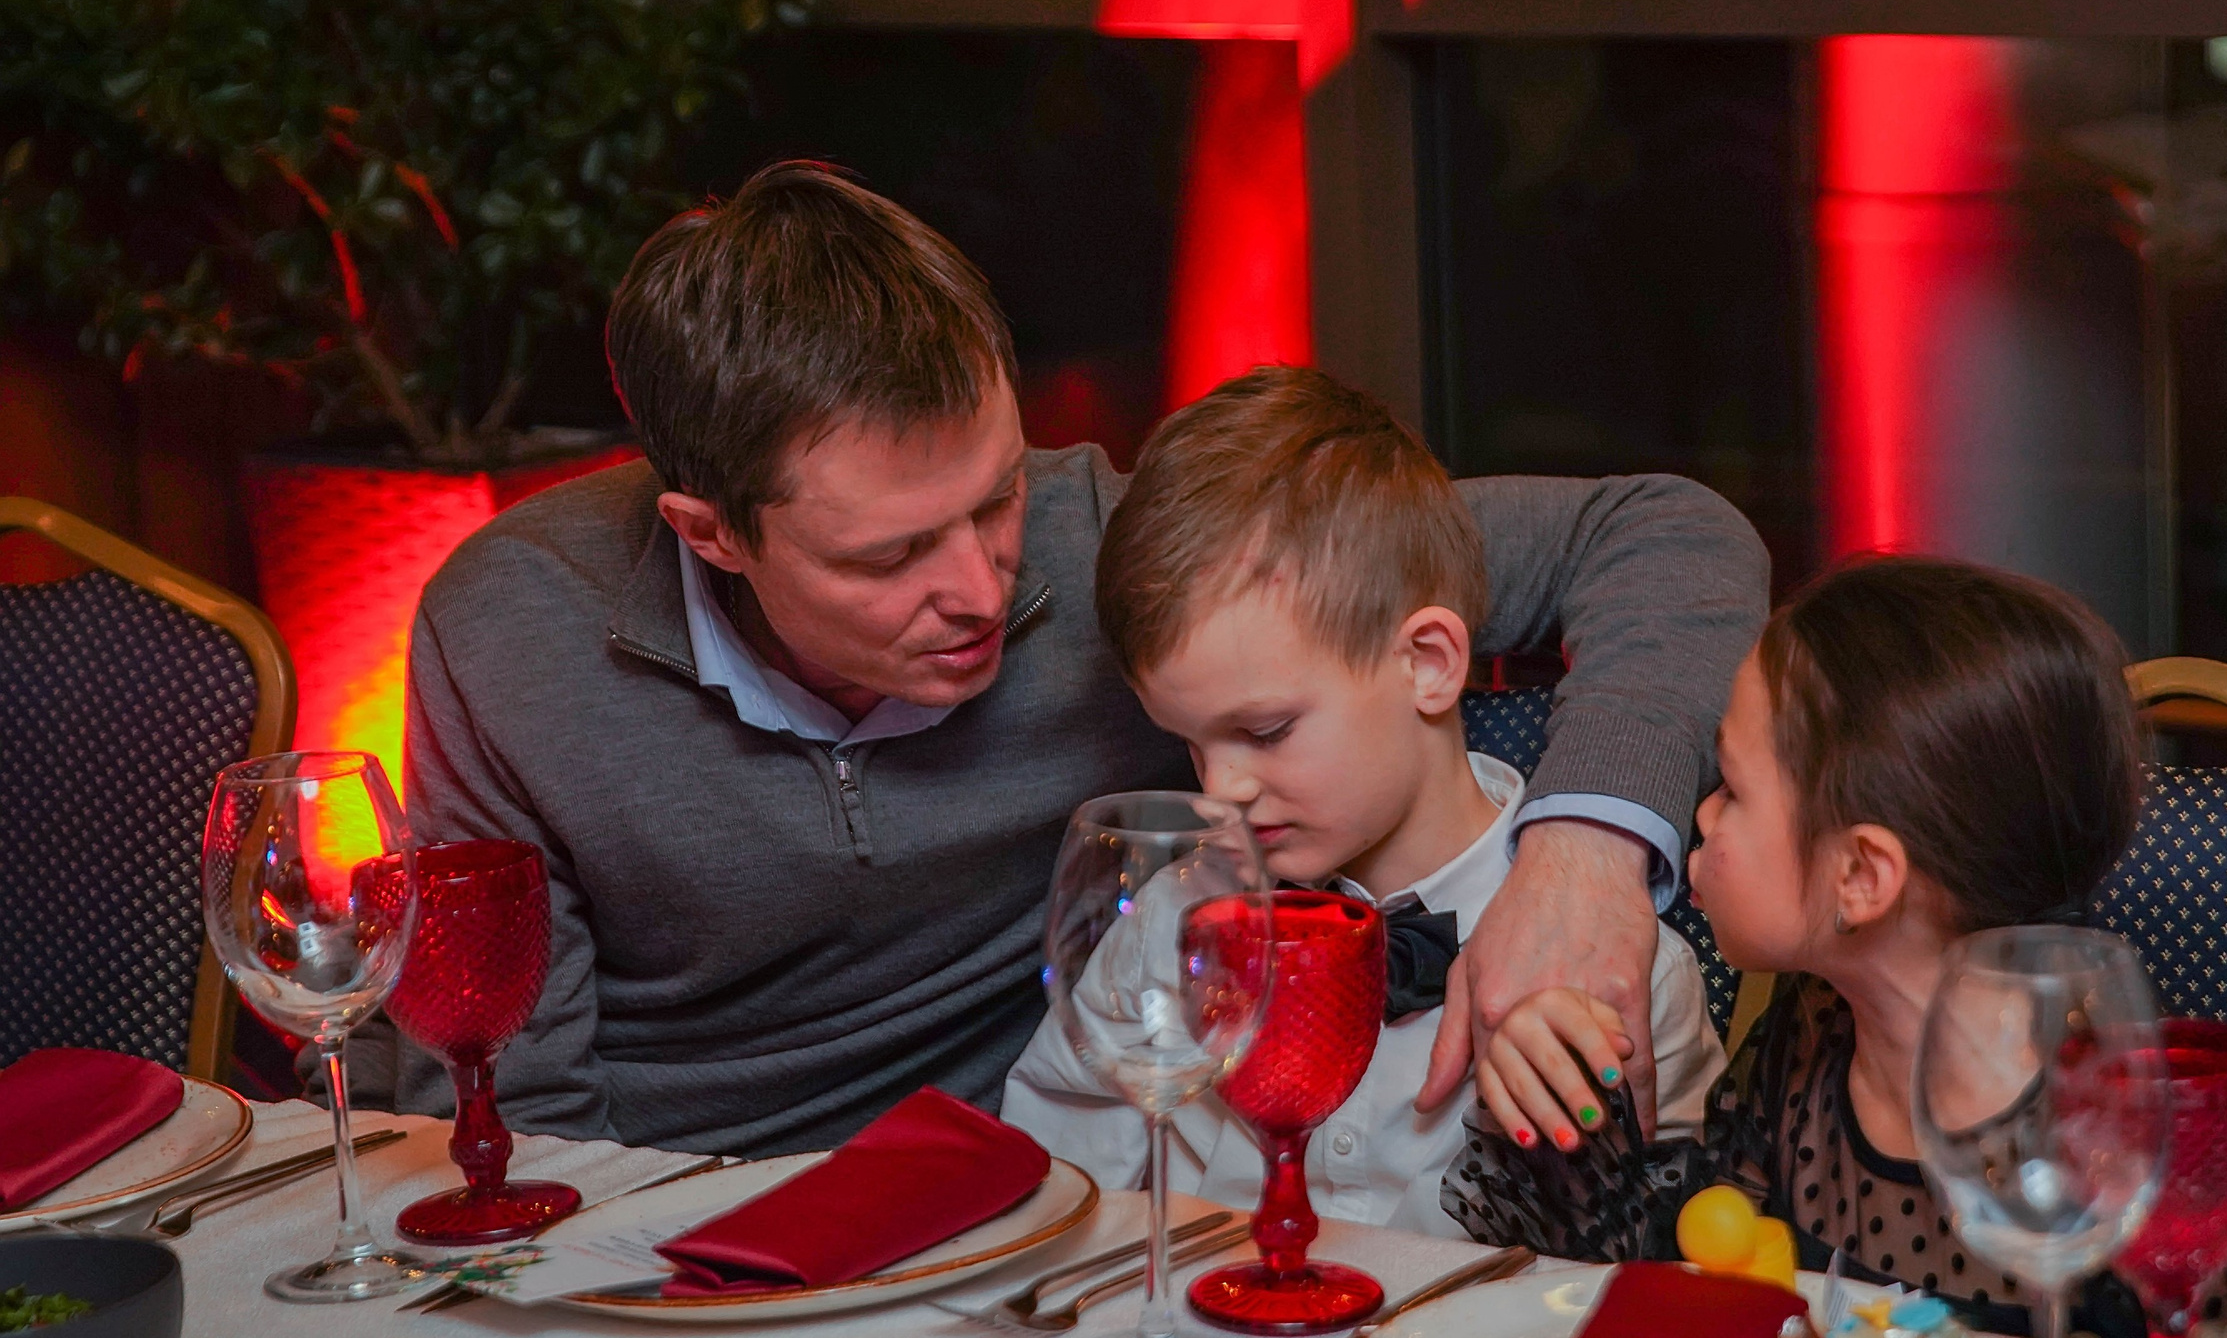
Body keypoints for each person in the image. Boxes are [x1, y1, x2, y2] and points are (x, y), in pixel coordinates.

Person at [337, 160, 1770, 1154]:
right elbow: (505, 1104)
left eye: (995, 496)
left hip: (1025, 1223)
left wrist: (1582, 851)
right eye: (892, 555)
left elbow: (1667, 537)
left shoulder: (1137, 558)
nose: (982, 589)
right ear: (711, 535)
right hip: (678, 1239)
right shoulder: (513, 628)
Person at [1446, 555, 2227, 1338]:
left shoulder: (2097, 1137)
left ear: (1861, 876)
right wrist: (1568, 1109)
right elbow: (1711, 1273)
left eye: (1732, 789)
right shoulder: (1813, 1033)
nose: (1699, 813)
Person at [1000, 368, 1722, 1234]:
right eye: (1192, 743)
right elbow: (1057, 1179)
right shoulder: (1170, 924)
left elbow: (1654, 1263)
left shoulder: (1608, 968)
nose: (1220, 789)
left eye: (1265, 732)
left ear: (1426, 663)